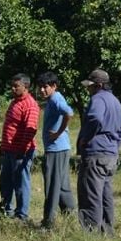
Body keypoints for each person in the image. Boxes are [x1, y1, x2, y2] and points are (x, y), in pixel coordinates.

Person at [76, 69, 121, 236]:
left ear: (98, 85)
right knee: (105, 195)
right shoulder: (115, 102)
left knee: (90, 194)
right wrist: (114, 148)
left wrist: (86, 138)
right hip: (110, 155)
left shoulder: (97, 99)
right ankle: (107, 231)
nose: (88, 89)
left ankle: (90, 234)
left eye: (90, 86)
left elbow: (95, 118)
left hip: (96, 154)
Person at [0, 73, 40, 221]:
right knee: (5, 181)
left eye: (16, 86)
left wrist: (22, 150)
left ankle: (22, 215)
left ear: (26, 87)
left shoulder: (30, 105)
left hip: (20, 152)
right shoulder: (15, 102)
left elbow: (30, 130)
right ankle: (6, 210)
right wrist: (3, 145)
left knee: (21, 183)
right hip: (9, 150)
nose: (12, 88)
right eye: (12, 85)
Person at [37, 71, 76, 230]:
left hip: (56, 149)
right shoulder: (53, 99)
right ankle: (70, 215)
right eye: (40, 87)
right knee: (62, 185)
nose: (42, 90)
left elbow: (69, 113)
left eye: (45, 87)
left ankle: (49, 222)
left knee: (52, 185)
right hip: (61, 148)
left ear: (54, 86)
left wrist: (58, 132)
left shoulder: (55, 99)